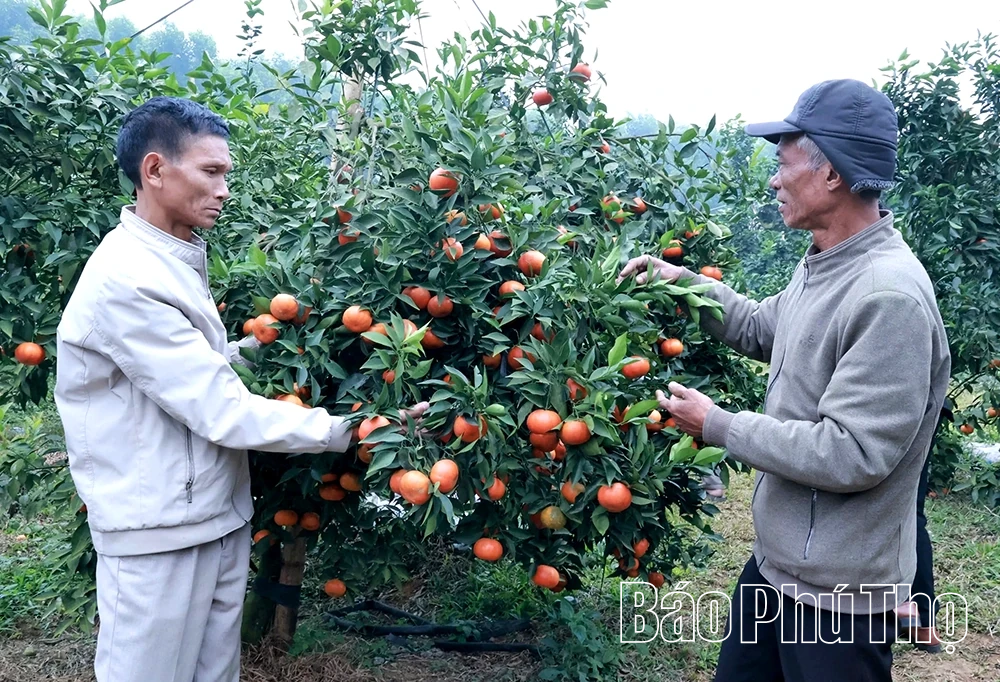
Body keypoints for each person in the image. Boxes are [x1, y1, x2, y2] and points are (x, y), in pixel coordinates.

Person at [54, 97, 427, 682]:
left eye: (226, 172)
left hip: (211, 513)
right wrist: (346, 430)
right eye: (211, 172)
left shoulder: (173, 257)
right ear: (155, 170)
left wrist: (272, 344)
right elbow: (219, 408)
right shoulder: (126, 279)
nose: (225, 188)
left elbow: (195, 367)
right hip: (158, 530)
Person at [618, 79, 950, 681]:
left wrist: (718, 425)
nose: (774, 179)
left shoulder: (887, 296)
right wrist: (679, 280)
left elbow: (852, 454)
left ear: (831, 174)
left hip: (838, 594)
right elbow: (760, 325)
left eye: (783, 161)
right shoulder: (827, 262)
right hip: (779, 568)